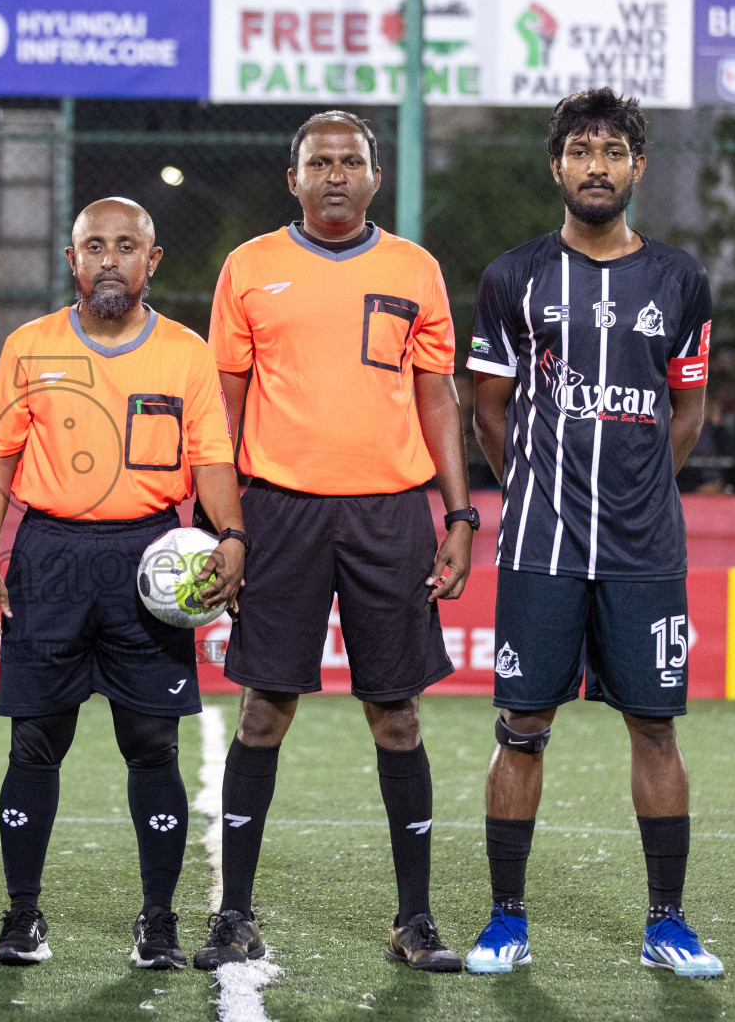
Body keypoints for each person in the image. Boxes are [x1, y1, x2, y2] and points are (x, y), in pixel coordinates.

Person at [195, 110, 473, 974]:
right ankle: (234, 914)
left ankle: (415, 919)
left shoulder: (414, 269)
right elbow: (223, 407)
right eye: (320, 161)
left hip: (390, 514)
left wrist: (458, 515)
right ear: (295, 178)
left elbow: (437, 400)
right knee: (266, 709)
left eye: (352, 160)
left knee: (396, 714)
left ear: (375, 177)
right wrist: (222, 524)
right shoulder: (250, 267)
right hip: (280, 514)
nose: (336, 174)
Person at [466, 88, 723, 979]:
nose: (596, 166)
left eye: (613, 151)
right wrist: (538, 487)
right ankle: (506, 920)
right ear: (557, 167)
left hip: (645, 549)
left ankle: (668, 922)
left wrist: (639, 485)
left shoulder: (681, 281)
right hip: (540, 545)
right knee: (522, 726)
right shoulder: (514, 275)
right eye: (580, 150)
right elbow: (487, 413)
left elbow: (686, 411)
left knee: (656, 729)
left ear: (637, 166)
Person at [0, 198, 245, 971]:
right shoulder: (29, 345)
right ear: (73, 260)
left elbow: (213, 456)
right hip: (50, 555)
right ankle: (22, 917)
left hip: (150, 558)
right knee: (35, 740)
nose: (111, 259)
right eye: (96, 246)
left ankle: (158, 921)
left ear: (152, 262)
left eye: (127, 247)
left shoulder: (186, 353)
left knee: (151, 743)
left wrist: (233, 535)